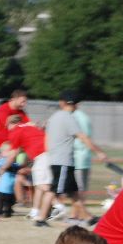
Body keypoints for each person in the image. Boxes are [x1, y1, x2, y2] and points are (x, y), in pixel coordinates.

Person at [41, 91, 108, 226]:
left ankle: (88, 218)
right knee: (54, 190)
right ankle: (40, 219)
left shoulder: (54, 117)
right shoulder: (68, 118)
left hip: (58, 159)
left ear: (61, 102)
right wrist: (99, 152)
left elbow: (47, 137)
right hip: (63, 161)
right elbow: (82, 137)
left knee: (74, 193)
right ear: (76, 105)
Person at [4, 114, 51, 225]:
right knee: (38, 185)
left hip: (42, 155)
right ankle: (35, 211)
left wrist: (3, 167)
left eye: (7, 126)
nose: (7, 129)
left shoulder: (16, 131)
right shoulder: (28, 127)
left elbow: (13, 153)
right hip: (45, 154)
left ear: (12, 124)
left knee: (43, 186)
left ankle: (59, 206)